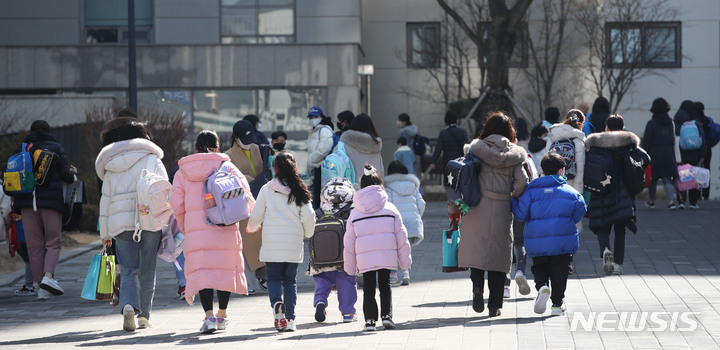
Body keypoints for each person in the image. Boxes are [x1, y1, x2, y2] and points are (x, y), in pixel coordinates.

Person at [170, 130, 254, 334]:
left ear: (196, 147)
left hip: (196, 231)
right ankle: (222, 315)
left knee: (203, 273)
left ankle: (208, 317)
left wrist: (185, 226)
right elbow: (246, 197)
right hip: (225, 228)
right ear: (217, 147)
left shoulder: (183, 172)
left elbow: (176, 204)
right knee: (223, 271)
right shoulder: (227, 166)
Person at [453, 112, 528, 317]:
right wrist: (511, 195)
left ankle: (477, 288)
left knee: (477, 252)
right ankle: (494, 306)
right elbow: (522, 181)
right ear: (509, 132)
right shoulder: (514, 156)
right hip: (501, 207)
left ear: (487, 129)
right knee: (498, 256)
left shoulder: (475, 150)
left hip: (476, 207)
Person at [96, 121, 165, 331]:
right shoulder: (152, 159)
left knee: (128, 270)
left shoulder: (110, 164)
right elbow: (163, 190)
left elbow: (105, 200)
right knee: (148, 268)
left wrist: (105, 233)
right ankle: (144, 316)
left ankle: (127, 306)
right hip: (149, 220)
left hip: (121, 224)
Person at [247, 151, 315, 333]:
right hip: (293, 243)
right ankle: (290, 320)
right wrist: (307, 233)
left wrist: (251, 228)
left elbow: (256, 216)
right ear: (295, 168)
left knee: (274, 278)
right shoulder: (301, 189)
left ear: (274, 168)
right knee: (290, 281)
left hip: (272, 243)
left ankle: (277, 304)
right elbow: (309, 216)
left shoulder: (267, 189)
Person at [513, 153, 586, 316]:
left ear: (543, 170)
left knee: (539, 267)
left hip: (536, 240)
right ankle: (557, 304)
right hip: (562, 241)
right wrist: (568, 221)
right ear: (561, 170)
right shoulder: (570, 192)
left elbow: (520, 215)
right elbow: (581, 208)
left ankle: (542, 286)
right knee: (560, 272)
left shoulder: (531, 192)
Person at [344, 165, 412, 331]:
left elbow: (349, 241)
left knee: (368, 286)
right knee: (385, 284)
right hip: (386, 254)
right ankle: (386, 316)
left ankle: (370, 320)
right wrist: (405, 262)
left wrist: (350, 267)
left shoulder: (355, 212)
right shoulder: (390, 208)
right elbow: (402, 236)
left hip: (365, 257)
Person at [13, 120, 76, 301]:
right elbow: (67, 176)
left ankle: (40, 285)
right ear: (48, 131)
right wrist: (72, 172)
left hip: (26, 203)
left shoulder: (22, 148)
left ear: (31, 131)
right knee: (53, 242)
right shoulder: (55, 147)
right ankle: (48, 278)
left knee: (34, 246)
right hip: (51, 204)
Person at [586, 114, 644, 275]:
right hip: (623, 192)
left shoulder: (596, 144)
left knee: (602, 226)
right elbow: (646, 158)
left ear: (607, 128)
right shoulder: (629, 144)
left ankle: (605, 250)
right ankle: (618, 264)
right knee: (620, 230)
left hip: (601, 190)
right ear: (623, 127)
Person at [309, 178, 358, 324]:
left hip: (321, 256)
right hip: (344, 256)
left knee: (322, 280)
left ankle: (320, 301)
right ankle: (348, 312)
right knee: (347, 282)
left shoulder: (319, 211)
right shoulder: (351, 211)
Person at [225, 120, 266, 292]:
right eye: (244, 139)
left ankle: (262, 276)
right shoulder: (228, 155)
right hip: (241, 202)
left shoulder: (255, 148)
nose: (249, 143)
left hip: (259, 199)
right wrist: (252, 181)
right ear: (235, 138)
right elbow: (232, 178)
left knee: (260, 242)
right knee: (247, 244)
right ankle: (249, 284)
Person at [384, 161, 425, 286]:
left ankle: (393, 274)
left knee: (393, 249)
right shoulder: (413, 185)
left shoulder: (388, 187)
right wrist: (417, 216)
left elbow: (388, 205)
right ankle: (406, 272)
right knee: (406, 249)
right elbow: (422, 203)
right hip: (412, 223)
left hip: (396, 224)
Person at [642, 98, 679, 209]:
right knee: (667, 178)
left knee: (653, 179)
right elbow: (673, 139)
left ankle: (651, 201)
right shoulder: (670, 123)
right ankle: (671, 202)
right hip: (668, 153)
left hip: (654, 153)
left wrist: (644, 154)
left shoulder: (651, 123)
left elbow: (647, 141)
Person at [542, 110, 586, 202]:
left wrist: (544, 184)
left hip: (552, 183)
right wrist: (577, 192)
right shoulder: (579, 139)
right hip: (569, 188)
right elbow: (579, 170)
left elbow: (545, 161)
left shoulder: (553, 136)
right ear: (581, 123)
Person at [676, 103, 707, 209]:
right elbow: (703, 139)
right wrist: (703, 154)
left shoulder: (678, 122)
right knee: (694, 178)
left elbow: (676, 139)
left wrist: (677, 156)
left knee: (683, 176)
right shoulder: (696, 123)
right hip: (696, 154)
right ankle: (693, 202)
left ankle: (682, 200)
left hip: (683, 154)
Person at [340, 113, 384, 179]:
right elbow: (381, 171)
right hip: (373, 186)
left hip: (351, 187)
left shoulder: (344, 145)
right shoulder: (376, 145)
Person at [307, 106, 335, 206]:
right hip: (317, 167)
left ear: (321, 116)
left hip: (322, 167)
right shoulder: (314, 130)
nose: (313, 119)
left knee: (322, 196)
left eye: (315, 116)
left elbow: (324, 150)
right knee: (318, 195)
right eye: (310, 117)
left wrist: (311, 161)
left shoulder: (324, 130)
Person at [694, 102, 713, 200]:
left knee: (696, 170)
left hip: (696, 149)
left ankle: (697, 194)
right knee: (706, 170)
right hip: (708, 149)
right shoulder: (708, 120)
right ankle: (706, 194)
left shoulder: (694, 121)